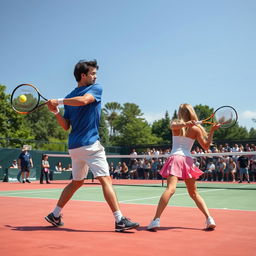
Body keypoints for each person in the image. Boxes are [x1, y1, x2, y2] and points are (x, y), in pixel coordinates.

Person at [45, 59, 139, 232]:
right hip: (89, 145)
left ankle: (55, 214)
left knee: (76, 182)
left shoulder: (71, 98)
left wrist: (58, 103)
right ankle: (119, 220)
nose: (96, 77)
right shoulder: (86, 92)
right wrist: (56, 112)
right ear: (83, 75)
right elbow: (67, 124)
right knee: (106, 180)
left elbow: (83, 101)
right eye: (93, 74)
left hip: (75, 148)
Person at [147, 103, 220, 231]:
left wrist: (212, 131)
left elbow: (206, 147)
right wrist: (189, 125)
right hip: (186, 160)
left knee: (171, 189)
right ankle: (209, 218)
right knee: (193, 193)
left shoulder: (186, 126)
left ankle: (155, 220)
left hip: (177, 158)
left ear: (180, 113)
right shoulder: (186, 126)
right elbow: (206, 146)